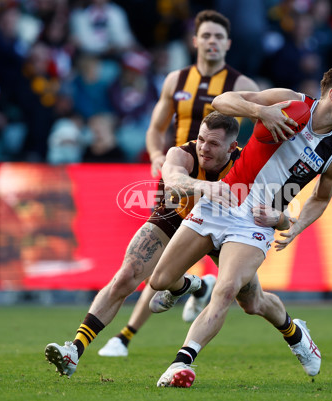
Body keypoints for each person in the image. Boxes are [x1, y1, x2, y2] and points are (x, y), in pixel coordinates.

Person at [148, 68, 332, 388]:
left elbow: (321, 198)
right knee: (164, 281)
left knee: (226, 290)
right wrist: (260, 111)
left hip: (255, 222)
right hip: (221, 201)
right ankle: (290, 330)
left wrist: (294, 227)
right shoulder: (289, 102)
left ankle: (180, 364)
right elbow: (223, 101)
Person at [44, 112, 286, 378]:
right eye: (202, 139)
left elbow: (275, 205)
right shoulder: (183, 154)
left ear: (232, 147)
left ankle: (295, 333)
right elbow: (173, 182)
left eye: (213, 144)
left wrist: (281, 219)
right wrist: (207, 188)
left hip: (229, 229)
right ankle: (74, 351)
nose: (204, 147)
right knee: (126, 276)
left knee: (252, 303)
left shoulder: (249, 162)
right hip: (177, 215)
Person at [96, 9, 260, 358]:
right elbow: (155, 130)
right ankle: (126, 334)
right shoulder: (175, 80)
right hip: (179, 175)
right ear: (195, 40)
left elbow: (262, 134)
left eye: (219, 37)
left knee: (245, 293)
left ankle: (133, 330)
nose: (212, 42)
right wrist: (157, 155)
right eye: (207, 36)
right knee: (152, 261)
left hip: (220, 184)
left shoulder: (243, 86)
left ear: (228, 44)